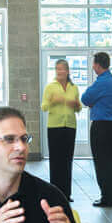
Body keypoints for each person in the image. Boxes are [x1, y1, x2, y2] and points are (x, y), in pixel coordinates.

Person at [83, 51, 112, 207]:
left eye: (94, 64)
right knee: (110, 161)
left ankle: (105, 197)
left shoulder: (101, 82)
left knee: (101, 162)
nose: (93, 66)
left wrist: (94, 103)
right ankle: (110, 196)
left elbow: (85, 99)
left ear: (98, 65)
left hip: (101, 126)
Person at [40, 59, 81, 201]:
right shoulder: (50, 87)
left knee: (67, 160)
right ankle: (55, 194)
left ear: (68, 71)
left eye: (62, 69)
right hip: (54, 127)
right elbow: (44, 106)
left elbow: (79, 108)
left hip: (70, 126)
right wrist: (53, 101)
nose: (60, 71)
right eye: (57, 69)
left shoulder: (73, 87)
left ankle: (67, 194)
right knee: (56, 161)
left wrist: (76, 104)